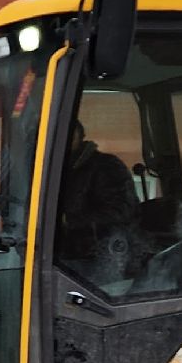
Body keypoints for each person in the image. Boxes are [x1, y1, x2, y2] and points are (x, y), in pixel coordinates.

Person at [54, 117, 140, 287]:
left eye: (70, 133)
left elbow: (122, 211)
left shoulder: (106, 167)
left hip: (99, 259)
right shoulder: (50, 169)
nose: (64, 139)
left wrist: (69, 220)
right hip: (60, 257)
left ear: (81, 135)